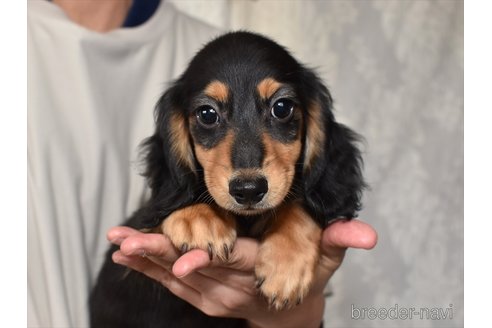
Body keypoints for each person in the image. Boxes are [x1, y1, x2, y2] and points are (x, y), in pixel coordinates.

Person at [28, 0, 377, 327]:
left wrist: (295, 298)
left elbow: (299, 316)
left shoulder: (197, 39)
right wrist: (184, 213)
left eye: (281, 110)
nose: (247, 167)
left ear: (312, 126)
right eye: (208, 115)